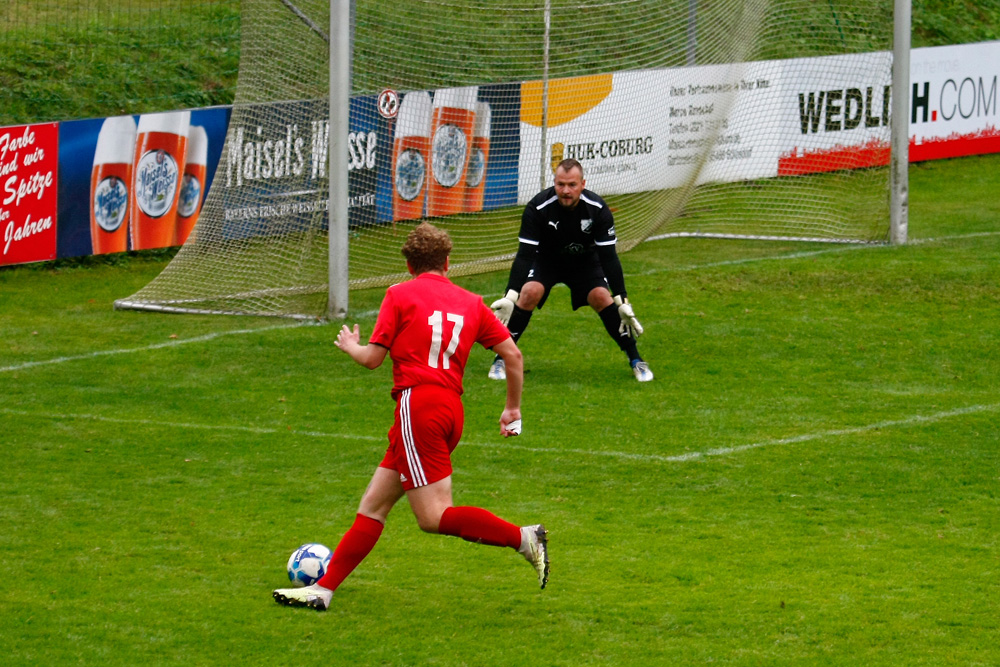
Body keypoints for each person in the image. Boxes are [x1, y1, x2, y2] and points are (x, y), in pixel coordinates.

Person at [272, 222, 549, 611]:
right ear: (448, 262)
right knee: (373, 506)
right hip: (450, 410)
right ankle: (323, 590)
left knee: (432, 516)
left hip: (417, 408)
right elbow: (513, 356)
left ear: (408, 264)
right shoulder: (471, 302)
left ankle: (523, 538)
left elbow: (373, 359)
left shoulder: (399, 294)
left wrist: (351, 346)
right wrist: (512, 408)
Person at [487, 158, 653, 382]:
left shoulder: (598, 209)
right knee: (529, 293)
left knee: (601, 296)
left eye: (572, 185)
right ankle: (501, 358)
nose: (565, 191)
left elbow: (609, 258)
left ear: (582, 184)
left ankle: (636, 359)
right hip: (546, 260)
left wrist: (621, 300)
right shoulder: (537, 207)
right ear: (554, 183)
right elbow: (525, 255)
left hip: (584, 262)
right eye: (560, 184)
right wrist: (510, 295)